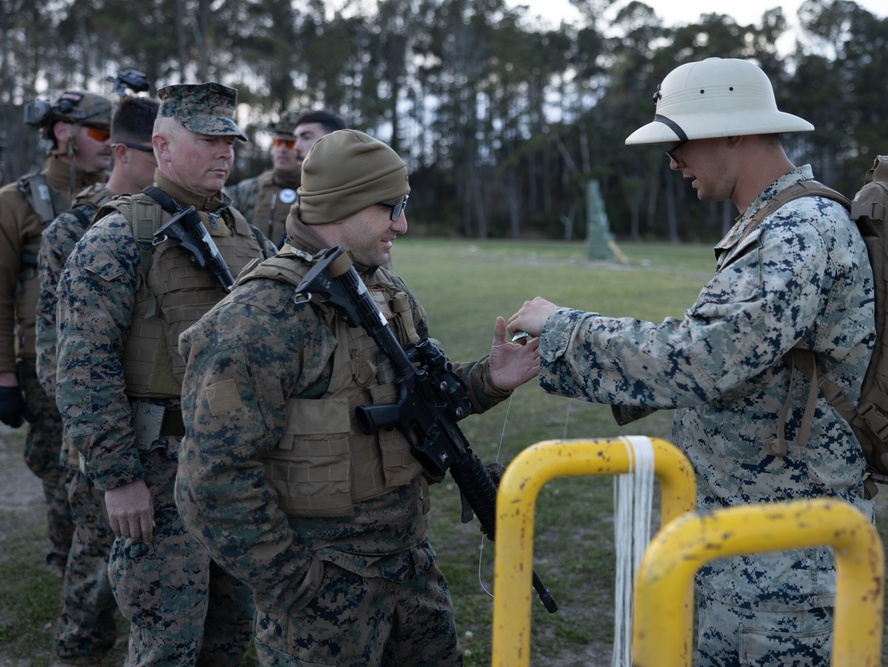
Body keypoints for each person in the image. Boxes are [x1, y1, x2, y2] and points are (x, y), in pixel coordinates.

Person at [507, 57, 877, 666]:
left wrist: (566, 331)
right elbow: (727, 364)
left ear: (734, 131)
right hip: (751, 540)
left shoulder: (798, 231)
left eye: (678, 142)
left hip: (787, 558)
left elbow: (705, 361)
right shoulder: (774, 226)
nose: (672, 161)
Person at [174, 129, 540, 667]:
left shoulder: (387, 290)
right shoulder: (258, 318)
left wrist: (489, 378)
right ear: (343, 204)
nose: (403, 224)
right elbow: (212, 479)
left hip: (412, 572)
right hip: (324, 598)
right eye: (392, 206)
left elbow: (419, 399)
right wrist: (297, 583)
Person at [55, 82, 269, 666]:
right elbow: (81, 367)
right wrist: (119, 478)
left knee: (232, 631)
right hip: (158, 473)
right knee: (166, 642)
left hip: (234, 471)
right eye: (208, 140)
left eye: (230, 140)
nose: (225, 152)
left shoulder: (246, 235)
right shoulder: (119, 236)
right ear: (163, 146)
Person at [36, 93, 159, 667]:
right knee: (93, 572)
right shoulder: (73, 231)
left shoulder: (182, 224)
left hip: (169, 443)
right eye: (153, 152)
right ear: (122, 153)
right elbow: (55, 352)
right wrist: (96, 435)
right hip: (98, 438)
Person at [0, 89, 113, 576]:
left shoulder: (121, 199)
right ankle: (67, 559)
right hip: (40, 365)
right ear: (64, 134)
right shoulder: (14, 203)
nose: (111, 143)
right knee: (57, 466)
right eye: (100, 132)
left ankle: (98, 566)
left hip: (105, 362)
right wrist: (4, 377)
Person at [226, 109, 302, 244]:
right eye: (278, 142)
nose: (282, 149)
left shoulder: (316, 195)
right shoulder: (248, 190)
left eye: (291, 143)